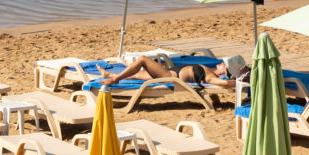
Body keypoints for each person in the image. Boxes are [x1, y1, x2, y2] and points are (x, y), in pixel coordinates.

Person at [96, 56, 234, 88]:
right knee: (137, 74)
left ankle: (115, 79)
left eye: (224, 65)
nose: (221, 63)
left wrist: (242, 81)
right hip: (170, 72)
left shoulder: (211, 76)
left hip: (169, 77)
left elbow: (226, 83)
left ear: (224, 72)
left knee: (143, 60)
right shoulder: (210, 70)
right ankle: (109, 75)